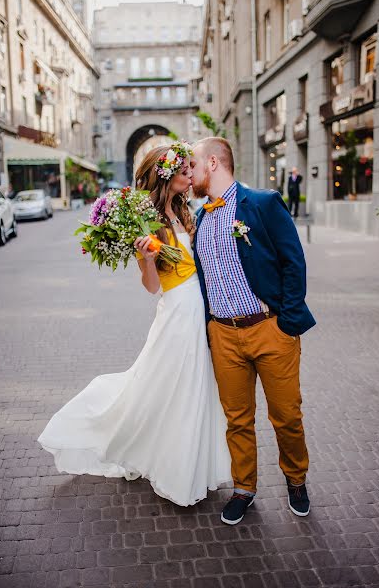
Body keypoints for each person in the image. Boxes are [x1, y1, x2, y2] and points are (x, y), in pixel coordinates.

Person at [38, 143, 231, 507]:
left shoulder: (184, 211)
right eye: (185, 168)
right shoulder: (148, 220)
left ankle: (196, 465)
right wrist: (145, 259)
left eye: (192, 168)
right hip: (176, 312)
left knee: (198, 387)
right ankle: (177, 471)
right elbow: (151, 287)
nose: (191, 174)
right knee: (180, 389)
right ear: (166, 173)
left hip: (200, 309)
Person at [190, 137, 316, 525]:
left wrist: (287, 322)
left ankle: (296, 478)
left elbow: (293, 261)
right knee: (237, 419)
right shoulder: (201, 217)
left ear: (212, 163)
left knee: (287, 416)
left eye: (192, 164)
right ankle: (244, 488)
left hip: (268, 329)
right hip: (223, 336)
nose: (188, 172)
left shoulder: (261, 203)